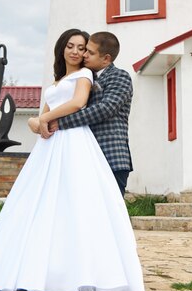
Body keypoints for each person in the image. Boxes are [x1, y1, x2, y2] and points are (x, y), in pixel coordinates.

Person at [0, 28, 146, 291]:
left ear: (106, 58)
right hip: (65, 149)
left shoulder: (113, 77)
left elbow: (98, 109)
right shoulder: (75, 77)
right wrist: (36, 121)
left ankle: (105, 278)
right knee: (57, 213)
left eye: (86, 49)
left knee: (103, 221)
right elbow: (48, 113)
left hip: (107, 155)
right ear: (62, 48)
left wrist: (51, 122)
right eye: (75, 47)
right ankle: (51, 273)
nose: (81, 53)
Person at [44, 32, 133, 197]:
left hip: (111, 156)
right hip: (87, 155)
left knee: (112, 212)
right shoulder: (87, 77)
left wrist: (61, 123)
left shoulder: (120, 76)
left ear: (106, 59)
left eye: (90, 52)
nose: (84, 54)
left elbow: (105, 108)